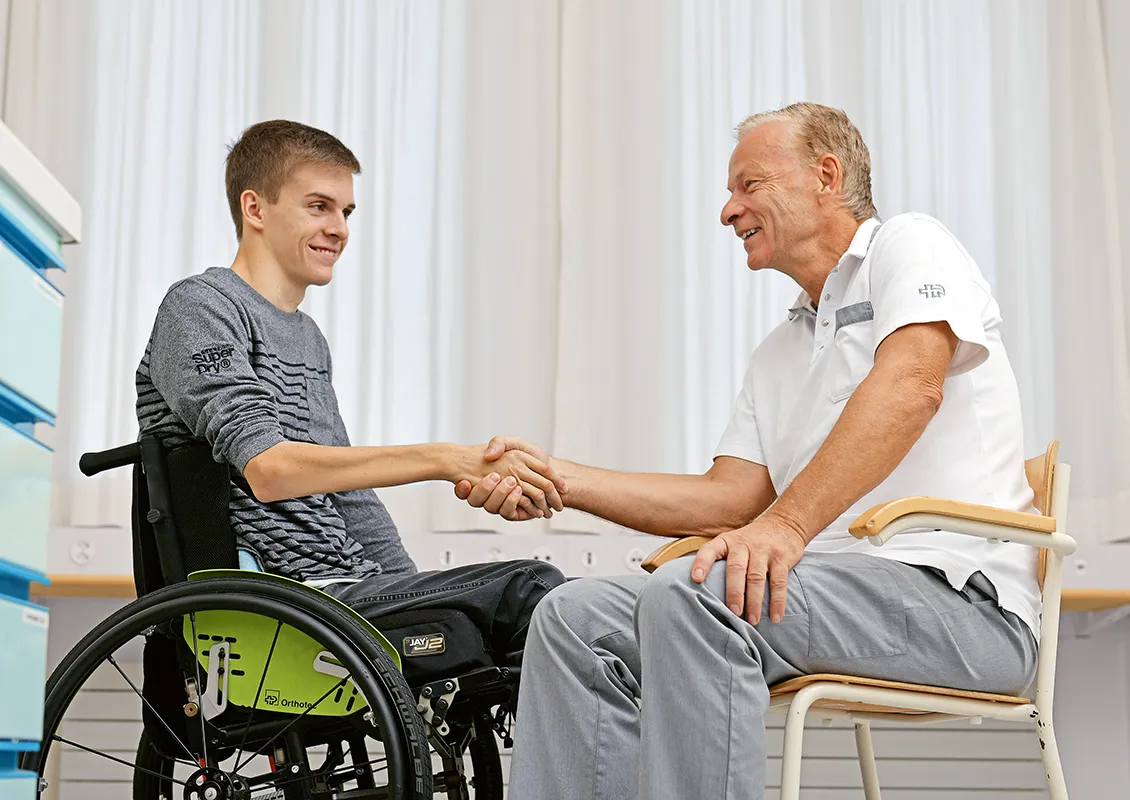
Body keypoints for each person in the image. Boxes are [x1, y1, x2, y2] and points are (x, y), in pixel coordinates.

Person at [455, 103, 1041, 800]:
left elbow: (912, 385)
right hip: (823, 596)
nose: (728, 212)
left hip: (959, 601)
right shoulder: (780, 350)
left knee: (696, 594)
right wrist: (557, 476)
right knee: (573, 620)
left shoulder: (909, 246)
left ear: (827, 175)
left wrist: (784, 529)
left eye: (748, 185)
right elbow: (729, 500)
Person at [136, 119, 566, 664]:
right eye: (319, 206)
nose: (339, 228)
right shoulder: (200, 308)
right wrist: (446, 459)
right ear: (255, 209)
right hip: (280, 598)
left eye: (347, 211)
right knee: (537, 591)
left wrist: (413, 593)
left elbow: (351, 500)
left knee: (530, 618)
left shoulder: (307, 339)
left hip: (345, 589)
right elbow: (270, 470)